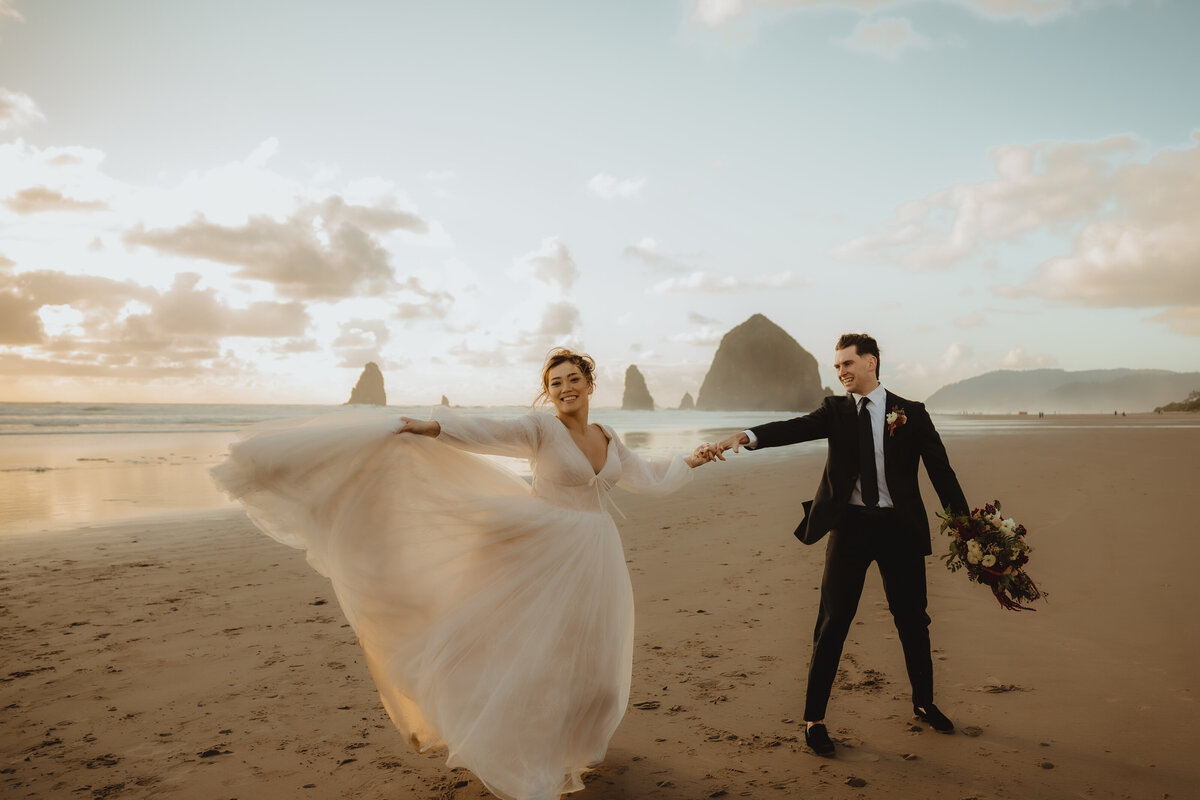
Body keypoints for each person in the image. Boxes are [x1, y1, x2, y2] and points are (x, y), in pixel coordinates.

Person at [212, 348, 714, 800]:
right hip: (541, 551)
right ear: (548, 391)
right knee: (533, 656)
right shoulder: (540, 430)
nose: (564, 388)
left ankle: (567, 743)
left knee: (590, 660)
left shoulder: (607, 437)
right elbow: (487, 432)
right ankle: (525, 760)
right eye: (555, 382)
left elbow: (645, 478)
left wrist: (691, 459)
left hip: (595, 556)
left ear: (589, 383)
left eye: (572, 378)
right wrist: (432, 429)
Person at [704, 333, 968, 757]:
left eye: (848, 363)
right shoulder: (835, 410)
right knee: (832, 623)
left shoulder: (911, 414)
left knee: (913, 621)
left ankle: (924, 702)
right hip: (850, 529)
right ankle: (814, 720)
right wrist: (747, 435)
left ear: (871, 362)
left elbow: (942, 472)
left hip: (900, 530)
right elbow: (794, 428)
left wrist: (966, 526)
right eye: (837, 366)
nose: (842, 372)